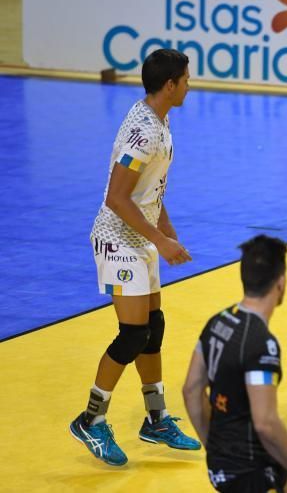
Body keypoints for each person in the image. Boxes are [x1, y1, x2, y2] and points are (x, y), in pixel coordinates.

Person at [69, 48, 199, 466]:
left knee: (153, 326)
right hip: (117, 239)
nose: (189, 85)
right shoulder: (144, 132)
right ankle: (91, 419)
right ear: (170, 85)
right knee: (132, 334)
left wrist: (166, 228)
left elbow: (149, 189)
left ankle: (155, 419)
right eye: (186, 79)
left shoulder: (160, 120)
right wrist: (160, 242)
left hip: (141, 236)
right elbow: (117, 198)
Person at [183, 235, 287, 493]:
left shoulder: (217, 322)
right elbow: (265, 423)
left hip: (232, 462)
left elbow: (191, 391)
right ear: (281, 282)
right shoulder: (262, 345)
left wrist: (216, 451)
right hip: (251, 470)